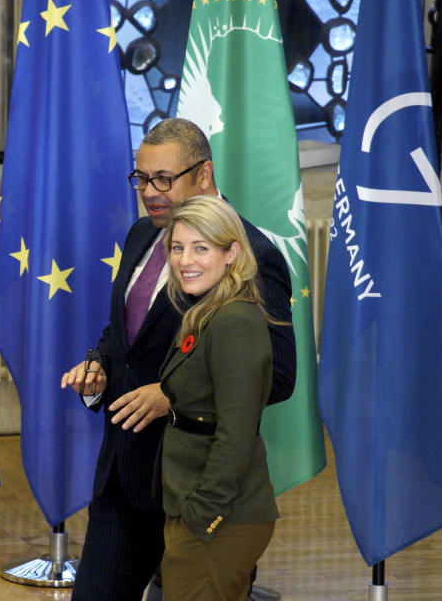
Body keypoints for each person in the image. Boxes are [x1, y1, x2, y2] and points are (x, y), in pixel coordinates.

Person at [60, 118, 294, 601]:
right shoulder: (142, 235)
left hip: (196, 488)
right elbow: (125, 334)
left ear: (204, 175)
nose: (149, 192)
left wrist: (172, 396)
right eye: (141, 178)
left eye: (164, 178)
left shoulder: (253, 255)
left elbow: (278, 376)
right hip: (123, 478)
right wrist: (100, 365)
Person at [158, 195, 280, 599]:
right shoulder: (209, 311)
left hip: (220, 517)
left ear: (232, 253)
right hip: (199, 506)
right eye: (178, 247)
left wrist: (202, 517)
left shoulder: (233, 322)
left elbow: (236, 434)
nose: (185, 260)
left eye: (201, 247)